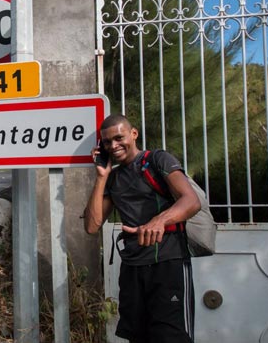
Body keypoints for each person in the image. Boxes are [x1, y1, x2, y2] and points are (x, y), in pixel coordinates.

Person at [83, 114, 201, 343]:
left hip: (168, 263)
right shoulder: (113, 178)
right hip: (132, 269)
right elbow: (91, 225)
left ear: (133, 134)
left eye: (119, 138)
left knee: (171, 337)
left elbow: (191, 201)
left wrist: (159, 221)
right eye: (107, 142)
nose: (114, 146)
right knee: (137, 337)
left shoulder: (157, 160)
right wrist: (101, 177)